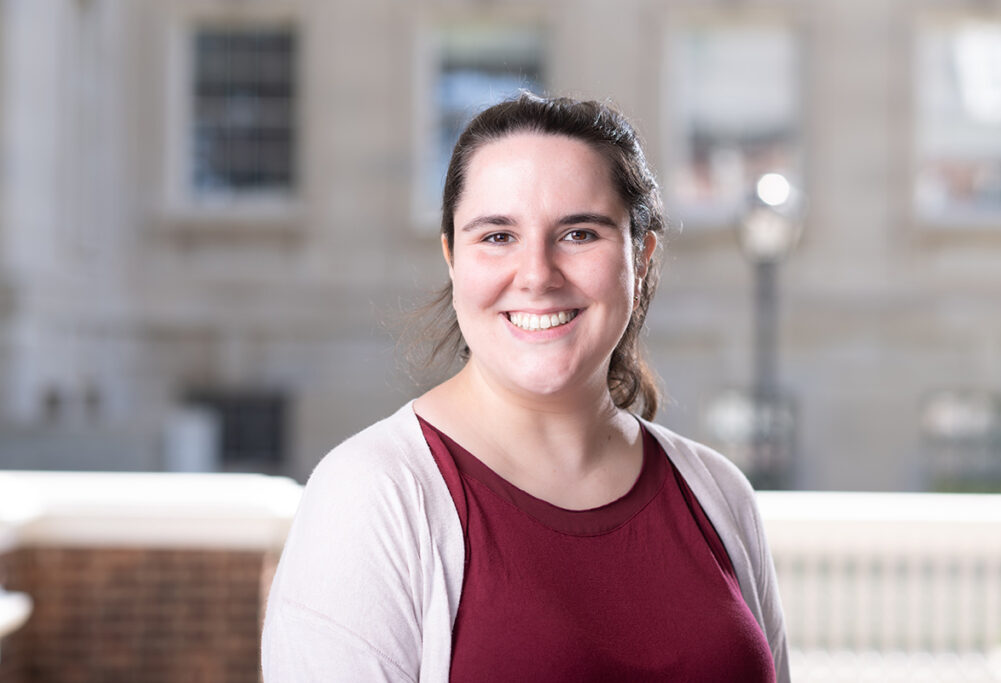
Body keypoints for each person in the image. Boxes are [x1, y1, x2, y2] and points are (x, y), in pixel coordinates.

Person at [262, 93, 790, 682]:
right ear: (452, 257)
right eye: (497, 236)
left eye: (579, 234)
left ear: (640, 259)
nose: (537, 274)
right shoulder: (372, 496)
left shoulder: (719, 496)